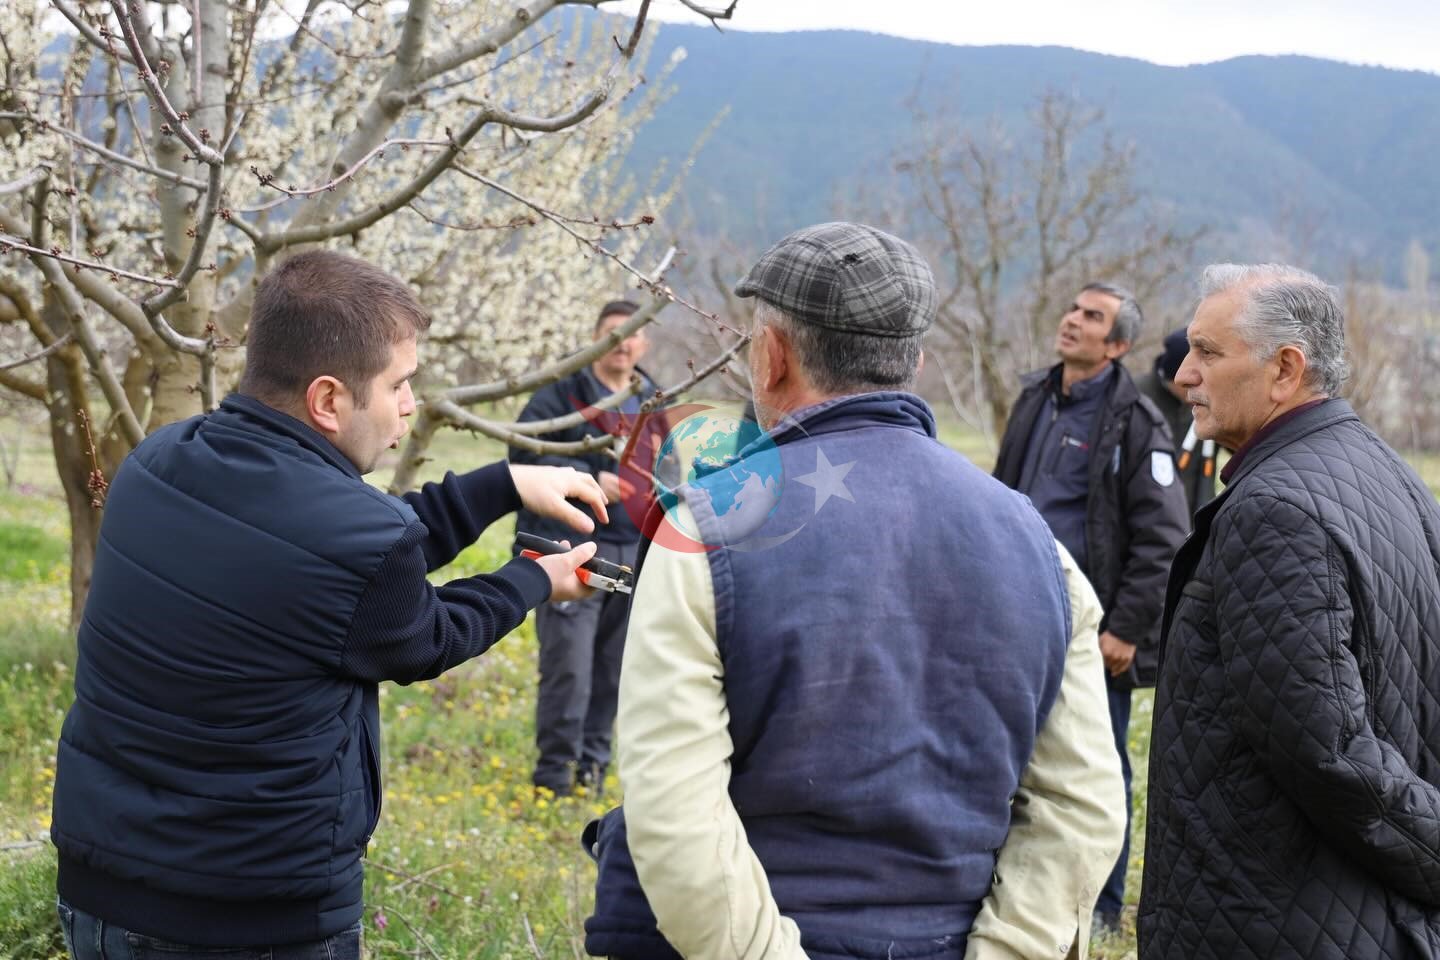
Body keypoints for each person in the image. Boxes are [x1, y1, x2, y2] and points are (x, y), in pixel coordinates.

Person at [583, 222, 1125, 960]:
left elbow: (676, 811)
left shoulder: (707, 530)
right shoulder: (1041, 550)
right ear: (916, 362)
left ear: (771, 356)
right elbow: (1080, 807)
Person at [50, 251, 605, 958]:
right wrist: (535, 577)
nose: (410, 403)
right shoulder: (355, 543)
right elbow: (422, 632)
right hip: (248, 922)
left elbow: (342, 559)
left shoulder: (157, 464)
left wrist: (503, 484)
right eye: (398, 384)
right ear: (328, 400)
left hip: (100, 895)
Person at [1138, 264, 1440, 959]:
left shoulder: (1274, 512)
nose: (1184, 375)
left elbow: (1329, 755)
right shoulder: (1383, 468)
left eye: (1208, 352)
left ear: (1284, 370)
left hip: (1277, 925)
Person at [992, 282, 1189, 931]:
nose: (1073, 321)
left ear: (1119, 344)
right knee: (1012, 754)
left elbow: (1163, 538)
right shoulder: (1034, 397)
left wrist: (1126, 628)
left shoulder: (1138, 423)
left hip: (1093, 632)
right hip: (1019, 614)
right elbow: (1001, 497)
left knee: (1098, 769)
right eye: (1074, 309)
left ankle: (1100, 908)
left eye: (1092, 317)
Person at [510, 299, 657, 796]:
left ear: (644, 341)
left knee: (614, 669)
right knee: (569, 670)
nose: (624, 343)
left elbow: (668, 461)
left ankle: (592, 773)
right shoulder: (563, 394)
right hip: (570, 549)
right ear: (598, 339)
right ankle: (553, 779)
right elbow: (523, 451)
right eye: (613, 333)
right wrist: (589, 478)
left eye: (633, 334)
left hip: (632, 553)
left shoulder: (652, 398)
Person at [1134, 328, 1218, 512]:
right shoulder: (1135, 397)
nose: (1196, 390)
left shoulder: (1208, 400)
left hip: (1194, 512)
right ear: (1177, 378)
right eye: (1189, 384)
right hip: (1147, 510)